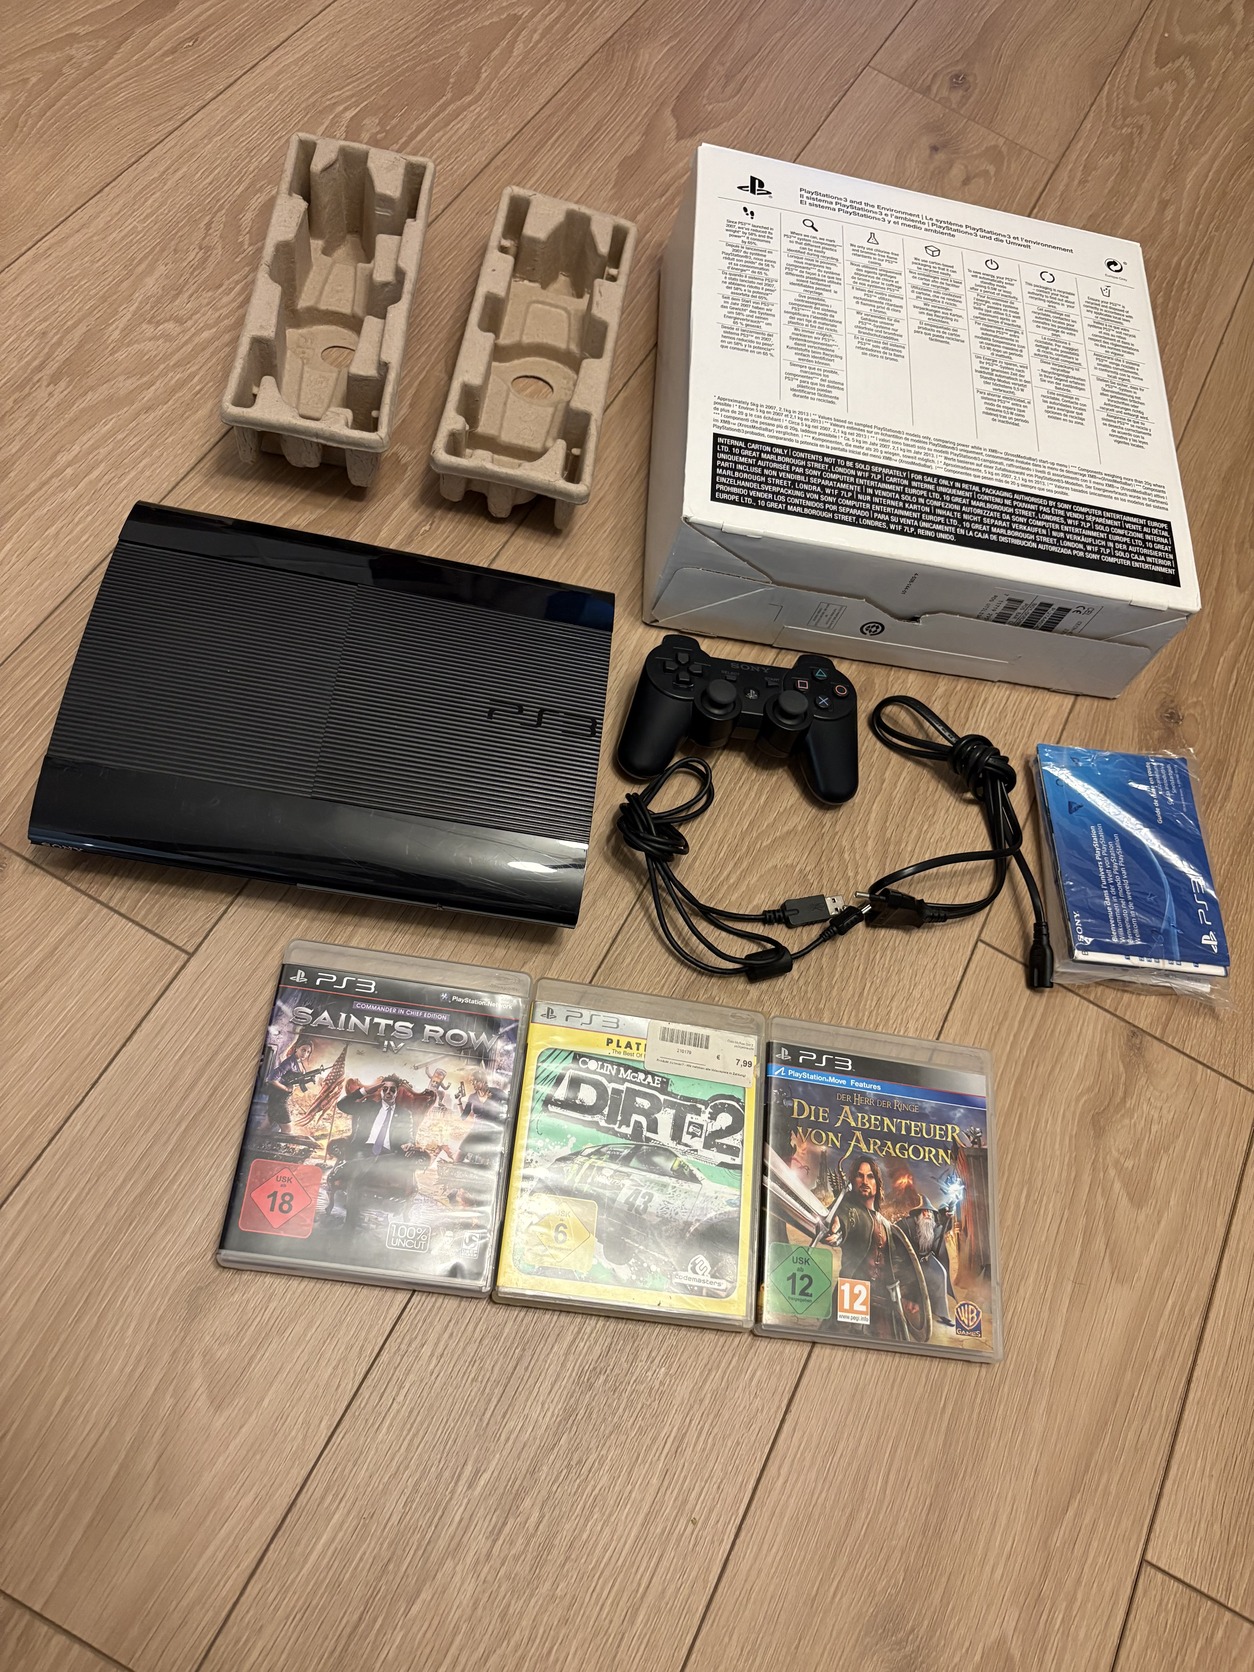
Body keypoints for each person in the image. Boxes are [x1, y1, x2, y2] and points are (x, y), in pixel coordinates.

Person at [325, 1075, 429, 1230]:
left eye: (392, 1089)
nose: (388, 1092)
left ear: (396, 1091)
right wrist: (365, 1091)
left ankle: (348, 1167)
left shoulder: (404, 1113)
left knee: (362, 1170)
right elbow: (342, 1105)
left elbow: (408, 1136)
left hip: (388, 1154)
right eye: (385, 1089)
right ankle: (350, 1224)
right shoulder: (368, 1106)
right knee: (357, 1176)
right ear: (380, 1091)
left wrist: (408, 1144)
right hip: (364, 1150)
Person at [262, 1038, 324, 1134]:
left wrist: (309, 1079)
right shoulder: (289, 1062)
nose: (305, 1054)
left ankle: (257, 1141)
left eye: (308, 1052)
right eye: (303, 1050)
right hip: (278, 1100)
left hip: (281, 1099)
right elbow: (271, 1078)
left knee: (265, 1127)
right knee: (287, 1130)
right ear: (297, 1048)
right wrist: (286, 1089)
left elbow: (296, 1080)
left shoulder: (299, 1062)